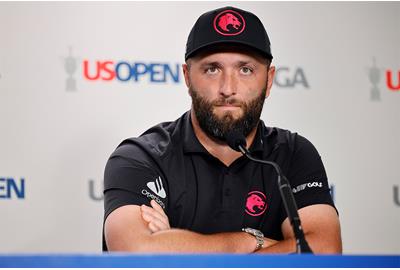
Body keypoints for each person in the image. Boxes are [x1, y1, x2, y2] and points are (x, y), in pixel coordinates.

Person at [103, 6, 342, 253]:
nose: (228, 88)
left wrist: (174, 246)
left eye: (245, 69)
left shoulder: (292, 155)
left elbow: (322, 251)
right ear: (187, 76)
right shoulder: (143, 157)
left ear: (269, 80)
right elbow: (135, 251)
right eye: (212, 69)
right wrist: (251, 242)